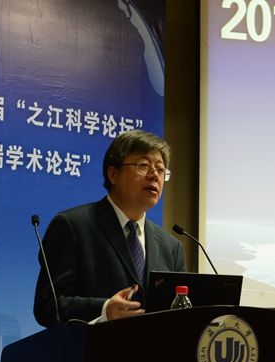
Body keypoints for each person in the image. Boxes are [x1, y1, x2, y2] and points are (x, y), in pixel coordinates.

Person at [33, 129, 186, 327]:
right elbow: (47, 305)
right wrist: (104, 310)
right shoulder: (72, 226)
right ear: (113, 174)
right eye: (143, 165)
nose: (154, 175)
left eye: (160, 169)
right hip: (91, 346)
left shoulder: (171, 247)